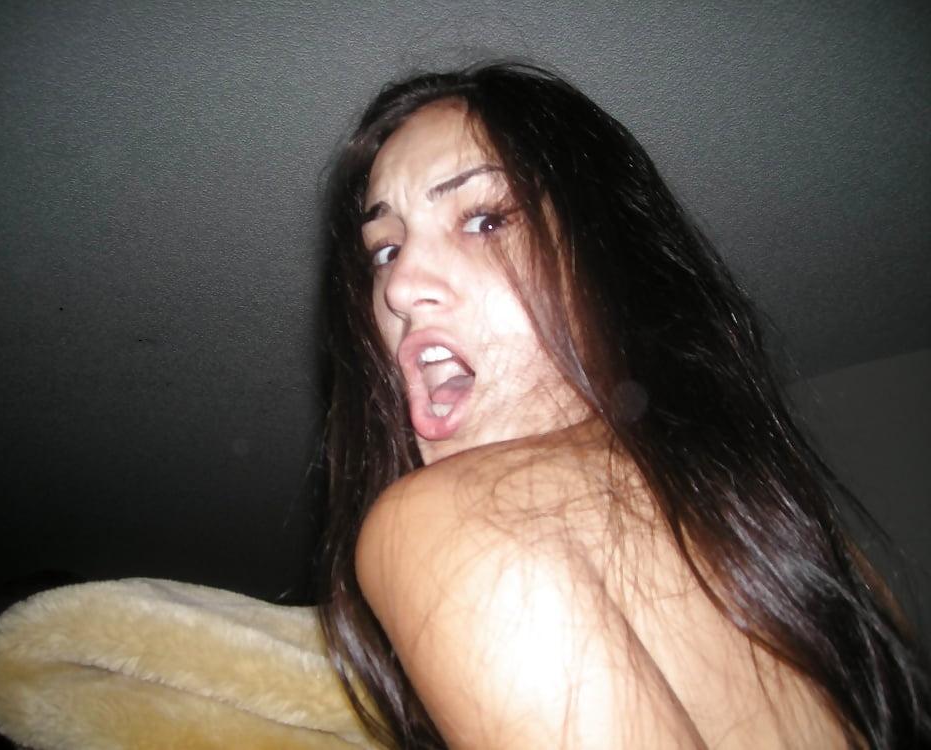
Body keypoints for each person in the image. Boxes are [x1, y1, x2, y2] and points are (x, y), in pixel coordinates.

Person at [316, 62, 929, 749]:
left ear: (605, 259)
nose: (400, 287)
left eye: (485, 219)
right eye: (385, 250)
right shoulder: (838, 561)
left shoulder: (436, 520)